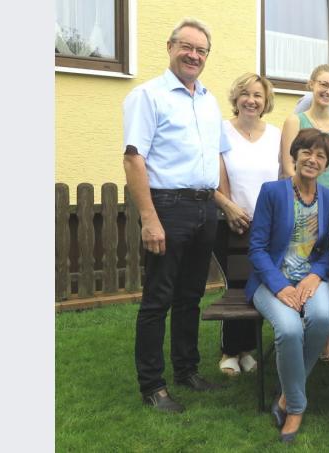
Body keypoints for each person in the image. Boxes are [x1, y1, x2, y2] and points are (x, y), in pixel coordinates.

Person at [123, 18, 228, 413]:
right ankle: (153, 386)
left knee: (190, 296)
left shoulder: (208, 99)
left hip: (205, 206)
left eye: (201, 50)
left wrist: (222, 203)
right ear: (170, 47)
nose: (194, 55)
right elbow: (134, 160)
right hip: (167, 207)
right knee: (157, 299)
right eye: (187, 47)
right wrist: (150, 219)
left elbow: (215, 157)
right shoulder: (148, 96)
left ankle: (187, 371)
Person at [246, 128, 329, 443]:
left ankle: (285, 394)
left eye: (320, 156)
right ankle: (296, 406)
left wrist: (316, 275)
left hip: (312, 278)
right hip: (272, 280)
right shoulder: (272, 192)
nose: (312, 160)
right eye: (306, 152)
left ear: (326, 165)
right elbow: (257, 247)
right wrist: (279, 286)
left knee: (323, 318)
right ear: (295, 156)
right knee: (289, 329)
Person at [282, 64, 329, 367]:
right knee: (308, 263)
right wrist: (303, 202)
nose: (328, 92)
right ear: (311, 84)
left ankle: (326, 343)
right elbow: (288, 166)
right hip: (304, 208)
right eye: (323, 85)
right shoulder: (295, 120)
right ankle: (307, 333)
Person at [213, 72, 280, 376]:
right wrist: (230, 210)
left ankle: (247, 349)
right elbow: (218, 176)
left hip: (267, 227)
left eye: (258, 96)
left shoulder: (277, 135)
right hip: (231, 222)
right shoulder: (221, 132)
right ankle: (229, 351)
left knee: (259, 285)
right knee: (236, 287)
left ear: (266, 101)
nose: (251, 100)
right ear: (236, 98)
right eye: (246, 94)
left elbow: (281, 179)